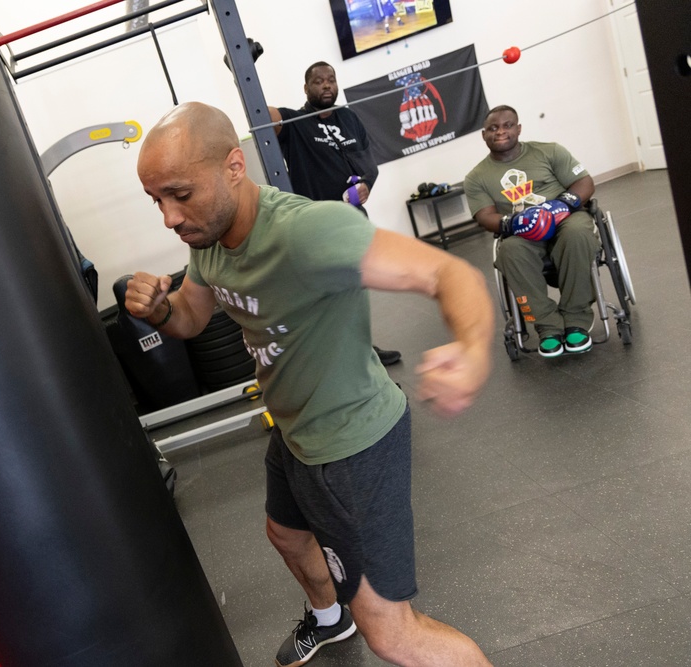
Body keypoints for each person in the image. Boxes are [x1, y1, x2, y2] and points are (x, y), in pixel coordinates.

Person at [125, 101, 494, 667]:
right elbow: (190, 318)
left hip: (351, 443)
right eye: (157, 201)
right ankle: (329, 620)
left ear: (232, 167)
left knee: (395, 635)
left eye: (180, 194)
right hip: (295, 431)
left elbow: (447, 273)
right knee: (286, 534)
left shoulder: (309, 231)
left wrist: (470, 350)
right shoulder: (210, 241)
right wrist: (156, 311)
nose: (169, 218)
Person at [268, 61, 402, 367]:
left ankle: (363, 350)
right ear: (306, 88)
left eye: (331, 80)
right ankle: (344, 355)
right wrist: (247, 66)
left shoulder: (349, 118)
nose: (327, 85)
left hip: (352, 220)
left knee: (355, 289)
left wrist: (366, 183)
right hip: (315, 224)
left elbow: (368, 163)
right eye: (318, 81)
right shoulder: (295, 122)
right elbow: (262, 114)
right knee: (330, 293)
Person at [464, 105, 600, 358]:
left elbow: (585, 183)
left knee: (577, 233)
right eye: (493, 128)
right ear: (484, 135)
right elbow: (485, 216)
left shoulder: (549, 151)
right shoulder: (476, 177)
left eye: (507, 125)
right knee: (510, 251)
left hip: (564, 219)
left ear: (518, 129)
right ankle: (548, 326)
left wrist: (560, 205)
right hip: (522, 231)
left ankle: (577, 320)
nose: (500, 132)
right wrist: (512, 223)